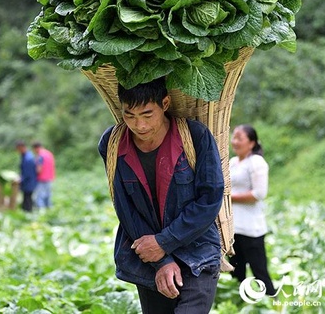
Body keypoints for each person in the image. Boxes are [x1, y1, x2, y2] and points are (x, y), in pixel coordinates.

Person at [97, 77, 225, 314]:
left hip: (197, 252)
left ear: (164, 104)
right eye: (130, 115)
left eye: (147, 114)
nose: (140, 125)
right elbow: (125, 208)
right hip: (147, 257)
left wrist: (165, 242)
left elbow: (210, 199)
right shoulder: (112, 143)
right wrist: (160, 260)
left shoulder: (195, 136)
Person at [229, 124, 276, 296]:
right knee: (235, 271)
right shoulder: (233, 162)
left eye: (239, 138)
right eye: (234, 137)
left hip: (251, 228)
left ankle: (271, 301)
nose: (234, 141)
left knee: (259, 272)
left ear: (252, 143)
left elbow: (259, 193)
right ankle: (240, 302)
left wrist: (229, 198)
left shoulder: (256, 162)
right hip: (233, 227)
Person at [32, 141, 56, 209]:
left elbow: (39, 170)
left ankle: (41, 213)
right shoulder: (49, 153)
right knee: (48, 196)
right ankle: (49, 212)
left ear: (36, 148)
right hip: (50, 178)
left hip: (41, 179)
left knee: (40, 197)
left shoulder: (40, 156)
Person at [15, 141, 38, 212]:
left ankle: (28, 213)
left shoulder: (28, 158)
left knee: (28, 199)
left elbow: (27, 173)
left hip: (29, 182)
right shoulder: (25, 156)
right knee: (26, 198)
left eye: (18, 149)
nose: (18, 151)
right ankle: (26, 212)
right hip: (28, 182)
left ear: (22, 147)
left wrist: (20, 179)